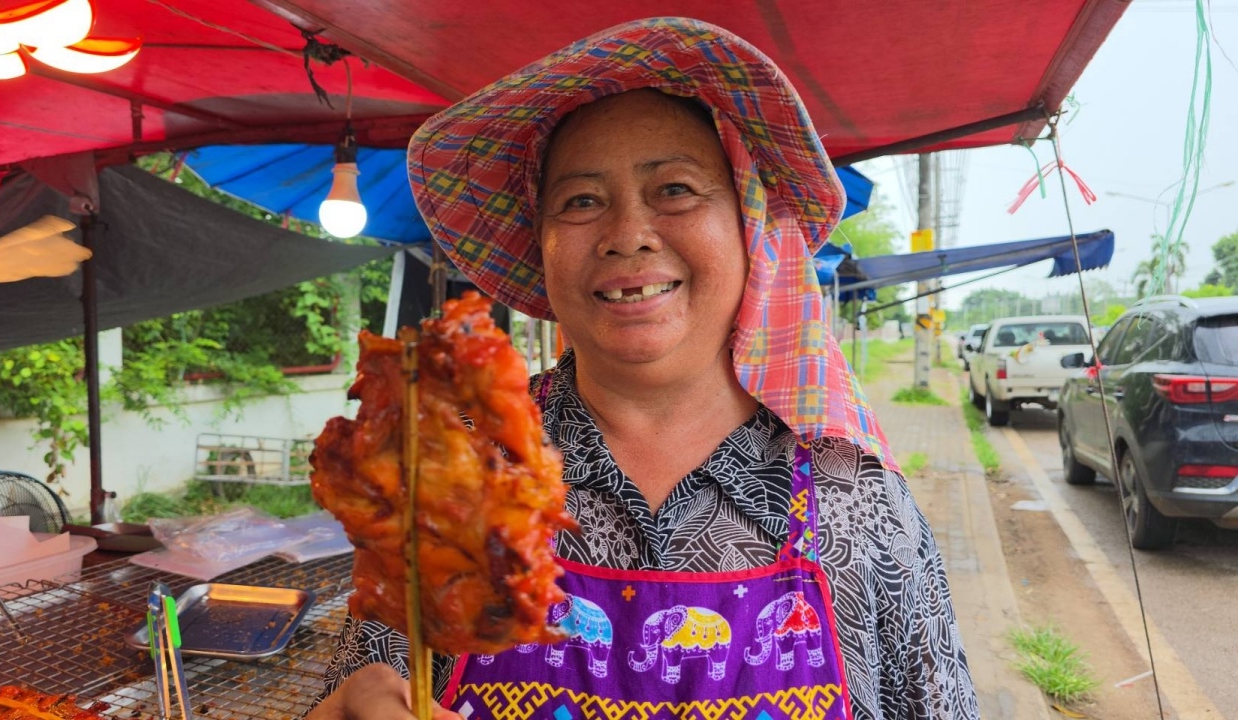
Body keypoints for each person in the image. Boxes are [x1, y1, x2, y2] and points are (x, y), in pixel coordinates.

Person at [309, 17, 979, 720]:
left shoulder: (860, 501)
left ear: (750, 228)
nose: (627, 233)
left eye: (676, 189)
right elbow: (367, 687)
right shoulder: (452, 470)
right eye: (581, 201)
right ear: (541, 247)